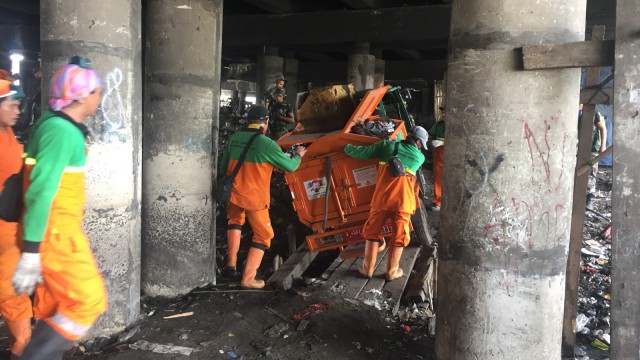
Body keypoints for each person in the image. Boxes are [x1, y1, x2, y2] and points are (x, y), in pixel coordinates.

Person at [12, 59, 107, 360]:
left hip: (53, 231)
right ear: (80, 96)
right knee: (88, 302)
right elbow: (41, 190)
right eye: (96, 91)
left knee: (57, 308)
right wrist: (30, 251)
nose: (99, 96)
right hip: (55, 234)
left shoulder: (55, 125)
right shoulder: (61, 131)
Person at [219, 106, 307, 288]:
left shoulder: (234, 139)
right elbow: (290, 167)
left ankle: (231, 264)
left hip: (233, 194)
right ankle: (248, 279)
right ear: (266, 122)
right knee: (264, 235)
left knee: (234, 222)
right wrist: (298, 156)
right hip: (254, 199)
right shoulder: (267, 144)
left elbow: (223, 167)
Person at [343, 126, 427, 280]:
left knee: (372, 232)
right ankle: (392, 271)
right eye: (422, 144)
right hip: (403, 203)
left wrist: (344, 144)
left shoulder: (386, 146)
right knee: (400, 235)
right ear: (417, 142)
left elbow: (358, 152)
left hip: (382, 200)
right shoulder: (419, 157)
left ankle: (367, 269)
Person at [0, 80, 32, 358]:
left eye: (19, 105)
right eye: (11, 105)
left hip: (11, 230)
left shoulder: (9, 135)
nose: (18, 110)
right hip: (3, 235)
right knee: (12, 294)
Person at [578, 104, 607, 209]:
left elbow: (603, 128)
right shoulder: (573, 113)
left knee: (591, 173)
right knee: (578, 173)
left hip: (592, 148)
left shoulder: (594, 114)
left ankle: (589, 199)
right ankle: (579, 198)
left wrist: (603, 147)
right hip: (577, 148)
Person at [428, 107, 446, 211]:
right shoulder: (439, 125)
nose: (443, 114)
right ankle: (438, 203)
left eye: (445, 112)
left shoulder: (455, 126)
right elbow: (430, 135)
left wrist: (442, 143)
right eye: (442, 112)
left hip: (451, 155)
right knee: (438, 179)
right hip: (439, 154)